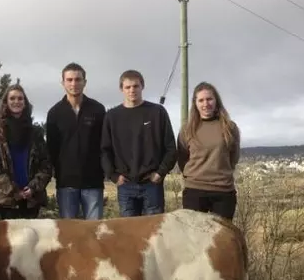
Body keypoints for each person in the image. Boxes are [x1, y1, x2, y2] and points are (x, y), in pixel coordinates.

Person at [101, 69, 177, 217]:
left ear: (142, 86)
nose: (132, 90)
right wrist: (113, 176)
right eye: (127, 87)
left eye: (136, 86)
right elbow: (105, 150)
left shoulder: (157, 112)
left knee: (154, 233)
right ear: (121, 89)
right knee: (129, 235)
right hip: (125, 186)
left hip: (152, 185)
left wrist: (160, 173)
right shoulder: (112, 116)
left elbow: (170, 148)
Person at [45, 62, 106, 219]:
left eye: (78, 79)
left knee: (94, 232)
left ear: (85, 82)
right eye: (70, 79)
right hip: (66, 183)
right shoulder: (54, 113)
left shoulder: (98, 110)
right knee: (68, 235)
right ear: (63, 82)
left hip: (93, 182)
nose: (74, 83)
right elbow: (51, 148)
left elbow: (104, 144)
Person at [0, 84, 52, 219]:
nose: (16, 102)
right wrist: (13, 190)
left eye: (20, 98)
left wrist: (33, 188)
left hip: (31, 201)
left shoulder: (35, 133)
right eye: (12, 98)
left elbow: (46, 165)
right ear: (6, 102)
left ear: (25, 103)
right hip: (6, 201)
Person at [177, 81, 241, 220]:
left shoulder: (230, 127)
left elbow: (233, 157)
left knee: (222, 240)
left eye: (209, 99)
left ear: (216, 101)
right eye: (201, 100)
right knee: (194, 238)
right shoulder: (187, 130)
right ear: (195, 103)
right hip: (195, 191)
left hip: (223, 191)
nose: (205, 104)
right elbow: (182, 158)